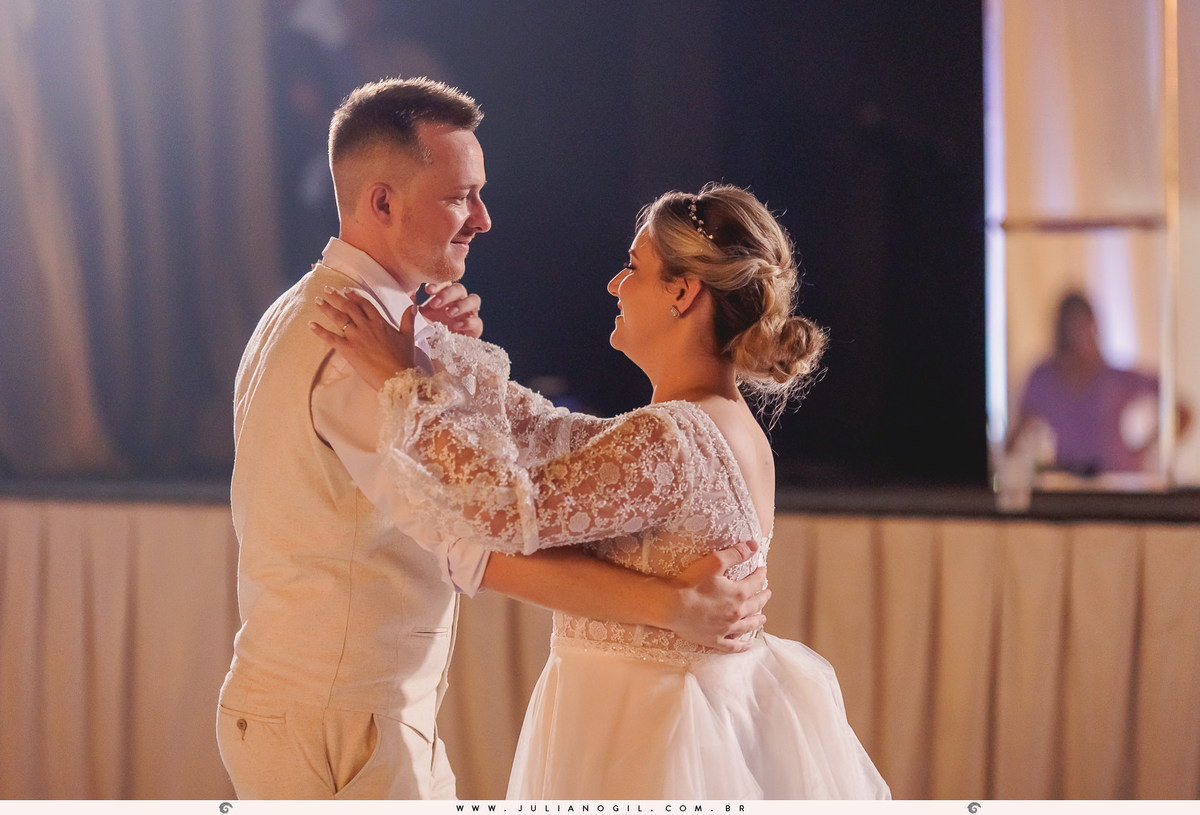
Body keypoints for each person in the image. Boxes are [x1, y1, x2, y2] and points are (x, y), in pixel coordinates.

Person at [217, 78, 769, 800]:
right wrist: (677, 609)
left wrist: (447, 366)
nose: (483, 218)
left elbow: (539, 449)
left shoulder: (307, 310)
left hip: (334, 717)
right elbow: (474, 535)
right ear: (383, 201)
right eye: (459, 196)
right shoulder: (356, 353)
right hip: (337, 725)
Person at [311, 183, 891, 799]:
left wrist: (405, 381)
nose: (617, 284)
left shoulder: (673, 438)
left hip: (647, 728)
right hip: (679, 711)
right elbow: (546, 431)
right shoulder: (720, 423)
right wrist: (439, 352)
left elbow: (502, 511)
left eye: (635, 268)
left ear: (683, 292)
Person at [1009, 291, 1191, 476]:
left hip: (1115, 484)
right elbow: (1015, 439)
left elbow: (1181, 410)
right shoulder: (1043, 378)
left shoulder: (1117, 379)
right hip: (1068, 489)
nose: (1079, 341)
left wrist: (1147, 448)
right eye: (1071, 331)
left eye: (1084, 328)